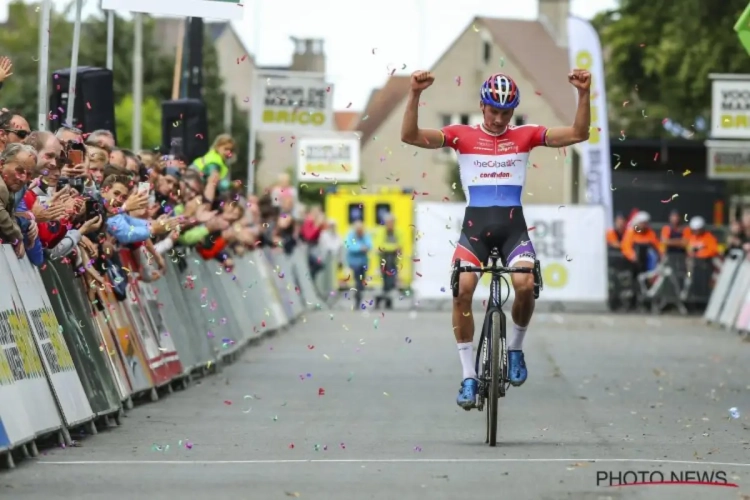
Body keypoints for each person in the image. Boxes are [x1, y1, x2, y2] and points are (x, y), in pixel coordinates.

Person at [400, 68, 592, 409]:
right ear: (482, 106)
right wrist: (414, 93)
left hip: (512, 230)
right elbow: (410, 136)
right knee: (462, 291)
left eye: (506, 112)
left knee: (524, 283)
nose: (500, 118)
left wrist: (583, 93)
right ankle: (469, 376)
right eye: (494, 111)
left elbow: (578, 133)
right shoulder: (461, 135)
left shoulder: (526, 135)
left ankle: (515, 348)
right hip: (475, 230)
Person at [345, 220, 372, 309]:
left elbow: (370, 244)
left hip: (363, 262)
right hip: (354, 262)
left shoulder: (365, 235)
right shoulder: (351, 235)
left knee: (361, 281)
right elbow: (349, 246)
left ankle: (359, 293)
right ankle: (357, 297)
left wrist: (365, 247)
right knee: (358, 280)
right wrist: (360, 248)